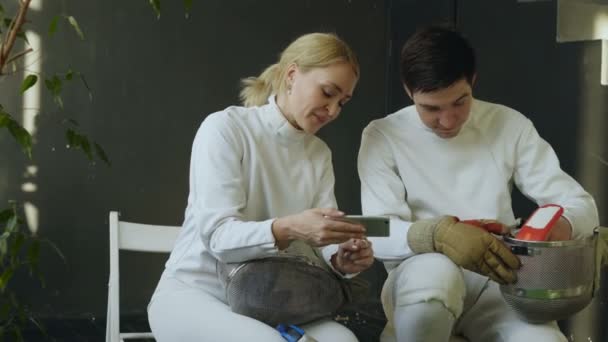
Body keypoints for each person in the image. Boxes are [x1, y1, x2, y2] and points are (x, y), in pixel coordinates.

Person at [358, 25, 599, 342]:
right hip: (419, 275)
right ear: (407, 90)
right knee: (433, 281)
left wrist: (560, 227)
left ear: (472, 80)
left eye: (460, 102)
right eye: (431, 108)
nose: (448, 120)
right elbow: (376, 230)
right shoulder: (382, 135)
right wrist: (437, 236)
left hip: (498, 277)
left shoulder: (508, 124)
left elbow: (582, 205)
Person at [148, 32, 375, 342]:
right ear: (292, 75)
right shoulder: (226, 128)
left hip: (270, 302)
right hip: (194, 294)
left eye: (342, 102)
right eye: (327, 93)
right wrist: (290, 228)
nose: (333, 110)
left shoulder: (319, 154)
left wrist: (340, 258)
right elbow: (219, 236)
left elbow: (319, 241)